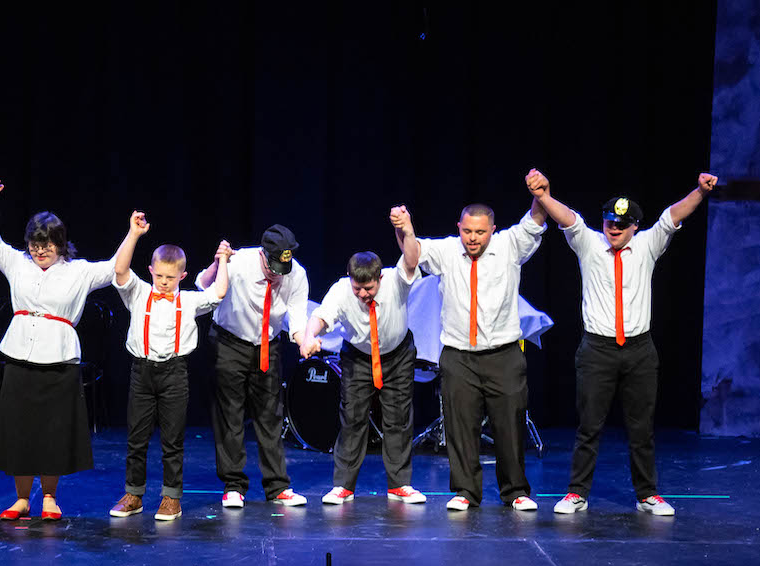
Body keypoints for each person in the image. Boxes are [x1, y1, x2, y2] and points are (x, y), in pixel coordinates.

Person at [530, 170, 718, 516]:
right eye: (609, 222)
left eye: (621, 224)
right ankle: (576, 493)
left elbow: (672, 216)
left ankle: (647, 494)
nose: (613, 229)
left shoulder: (647, 244)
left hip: (639, 350)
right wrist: (543, 196)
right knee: (589, 425)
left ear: (634, 226)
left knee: (641, 428)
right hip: (597, 350)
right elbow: (569, 218)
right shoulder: (589, 243)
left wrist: (700, 192)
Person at [409, 172, 548, 510]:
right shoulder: (446, 250)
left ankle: (515, 491)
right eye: (467, 231)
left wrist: (540, 194)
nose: (473, 238)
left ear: (492, 230)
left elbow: (535, 220)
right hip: (459, 355)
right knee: (460, 426)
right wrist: (405, 228)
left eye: (480, 232)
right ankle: (465, 491)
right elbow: (413, 255)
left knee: (509, 426)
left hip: (503, 354)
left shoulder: (509, 246)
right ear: (459, 227)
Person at [0, 205, 119, 521]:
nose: (39, 250)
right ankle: (21, 499)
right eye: (34, 243)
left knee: (52, 431)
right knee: (19, 429)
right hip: (20, 354)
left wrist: (133, 233)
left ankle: (49, 497)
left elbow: (116, 267)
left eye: (46, 244)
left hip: (59, 357)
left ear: (60, 243)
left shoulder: (78, 271)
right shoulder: (18, 264)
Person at [108, 212, 229, 521]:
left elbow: (218, 293)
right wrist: (134, 234)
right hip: (142, 371)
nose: (163, 283)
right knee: (136, 438)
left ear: (182, 277)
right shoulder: (139, 294)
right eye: (159, 276)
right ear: (151, 271)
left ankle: (171, 498)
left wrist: (223, 261)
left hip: (174, 373)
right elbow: (120, 269)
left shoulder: (188, 301)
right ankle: (134, 494)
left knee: (172, 440)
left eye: (170, 278)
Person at [299, 206, 424, 505]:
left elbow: (411, 259)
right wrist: (308, 336)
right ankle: (343, 486)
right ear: (349, 279)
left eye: (368, 288)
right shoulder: (343, 290)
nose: (363, 294)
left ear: (379, 278)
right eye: (358, 288)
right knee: (353, 419)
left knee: (398, 419)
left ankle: (399, 486)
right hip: (358, 356)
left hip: (396, 354)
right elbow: (322, 316)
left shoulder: (396, 281)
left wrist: (406, 229)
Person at [196, 226, 310, 509]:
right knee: (230, 415)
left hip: (267, 347)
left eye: (282, 267)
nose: (277, 273)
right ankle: (233, 485)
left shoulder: (296, 274)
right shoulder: (240, 262)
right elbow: (202, 284)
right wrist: (218, 261)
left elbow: (296, 317)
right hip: (229, 343)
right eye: (272, 267)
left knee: (270, 416)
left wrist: (303, 341)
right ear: (263, 254)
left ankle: (277, 486)